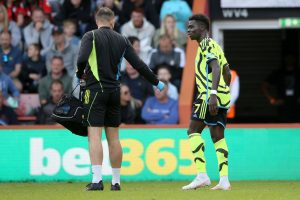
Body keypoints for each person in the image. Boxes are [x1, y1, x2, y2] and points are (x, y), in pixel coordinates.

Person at [76, 7, 164, 191]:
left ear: (96, 20)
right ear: (113, 21)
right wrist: (157, 82)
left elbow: (81, 59)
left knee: (94, 136)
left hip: (95, 91)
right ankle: (116, 182)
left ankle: (97, 180)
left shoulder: (90, 36)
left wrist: (80, 74)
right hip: (115, 92)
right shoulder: (122, 39)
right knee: (114, 138)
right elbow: (139, 65)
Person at [182, 14, 232, 191]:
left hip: (207, 97)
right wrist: (223, 91)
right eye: (188, 27)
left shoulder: (205, 45)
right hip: (222, 98)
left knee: (193, 131)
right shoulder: (216, 45)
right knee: (218, 137)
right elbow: (227, 71)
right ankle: (224, 180)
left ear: (203, 29)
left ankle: (202, 175)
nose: (188, 30)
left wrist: (212, 94)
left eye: (191, 27)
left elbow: (216, 67)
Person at [262, 55, 300, 122]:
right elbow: (264, 85)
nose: (289, 60)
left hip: (297, 104)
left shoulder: (298, 72)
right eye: (287, 58)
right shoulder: (279, 73)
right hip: (282, 104)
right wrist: (271, 99)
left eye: (291, 58)